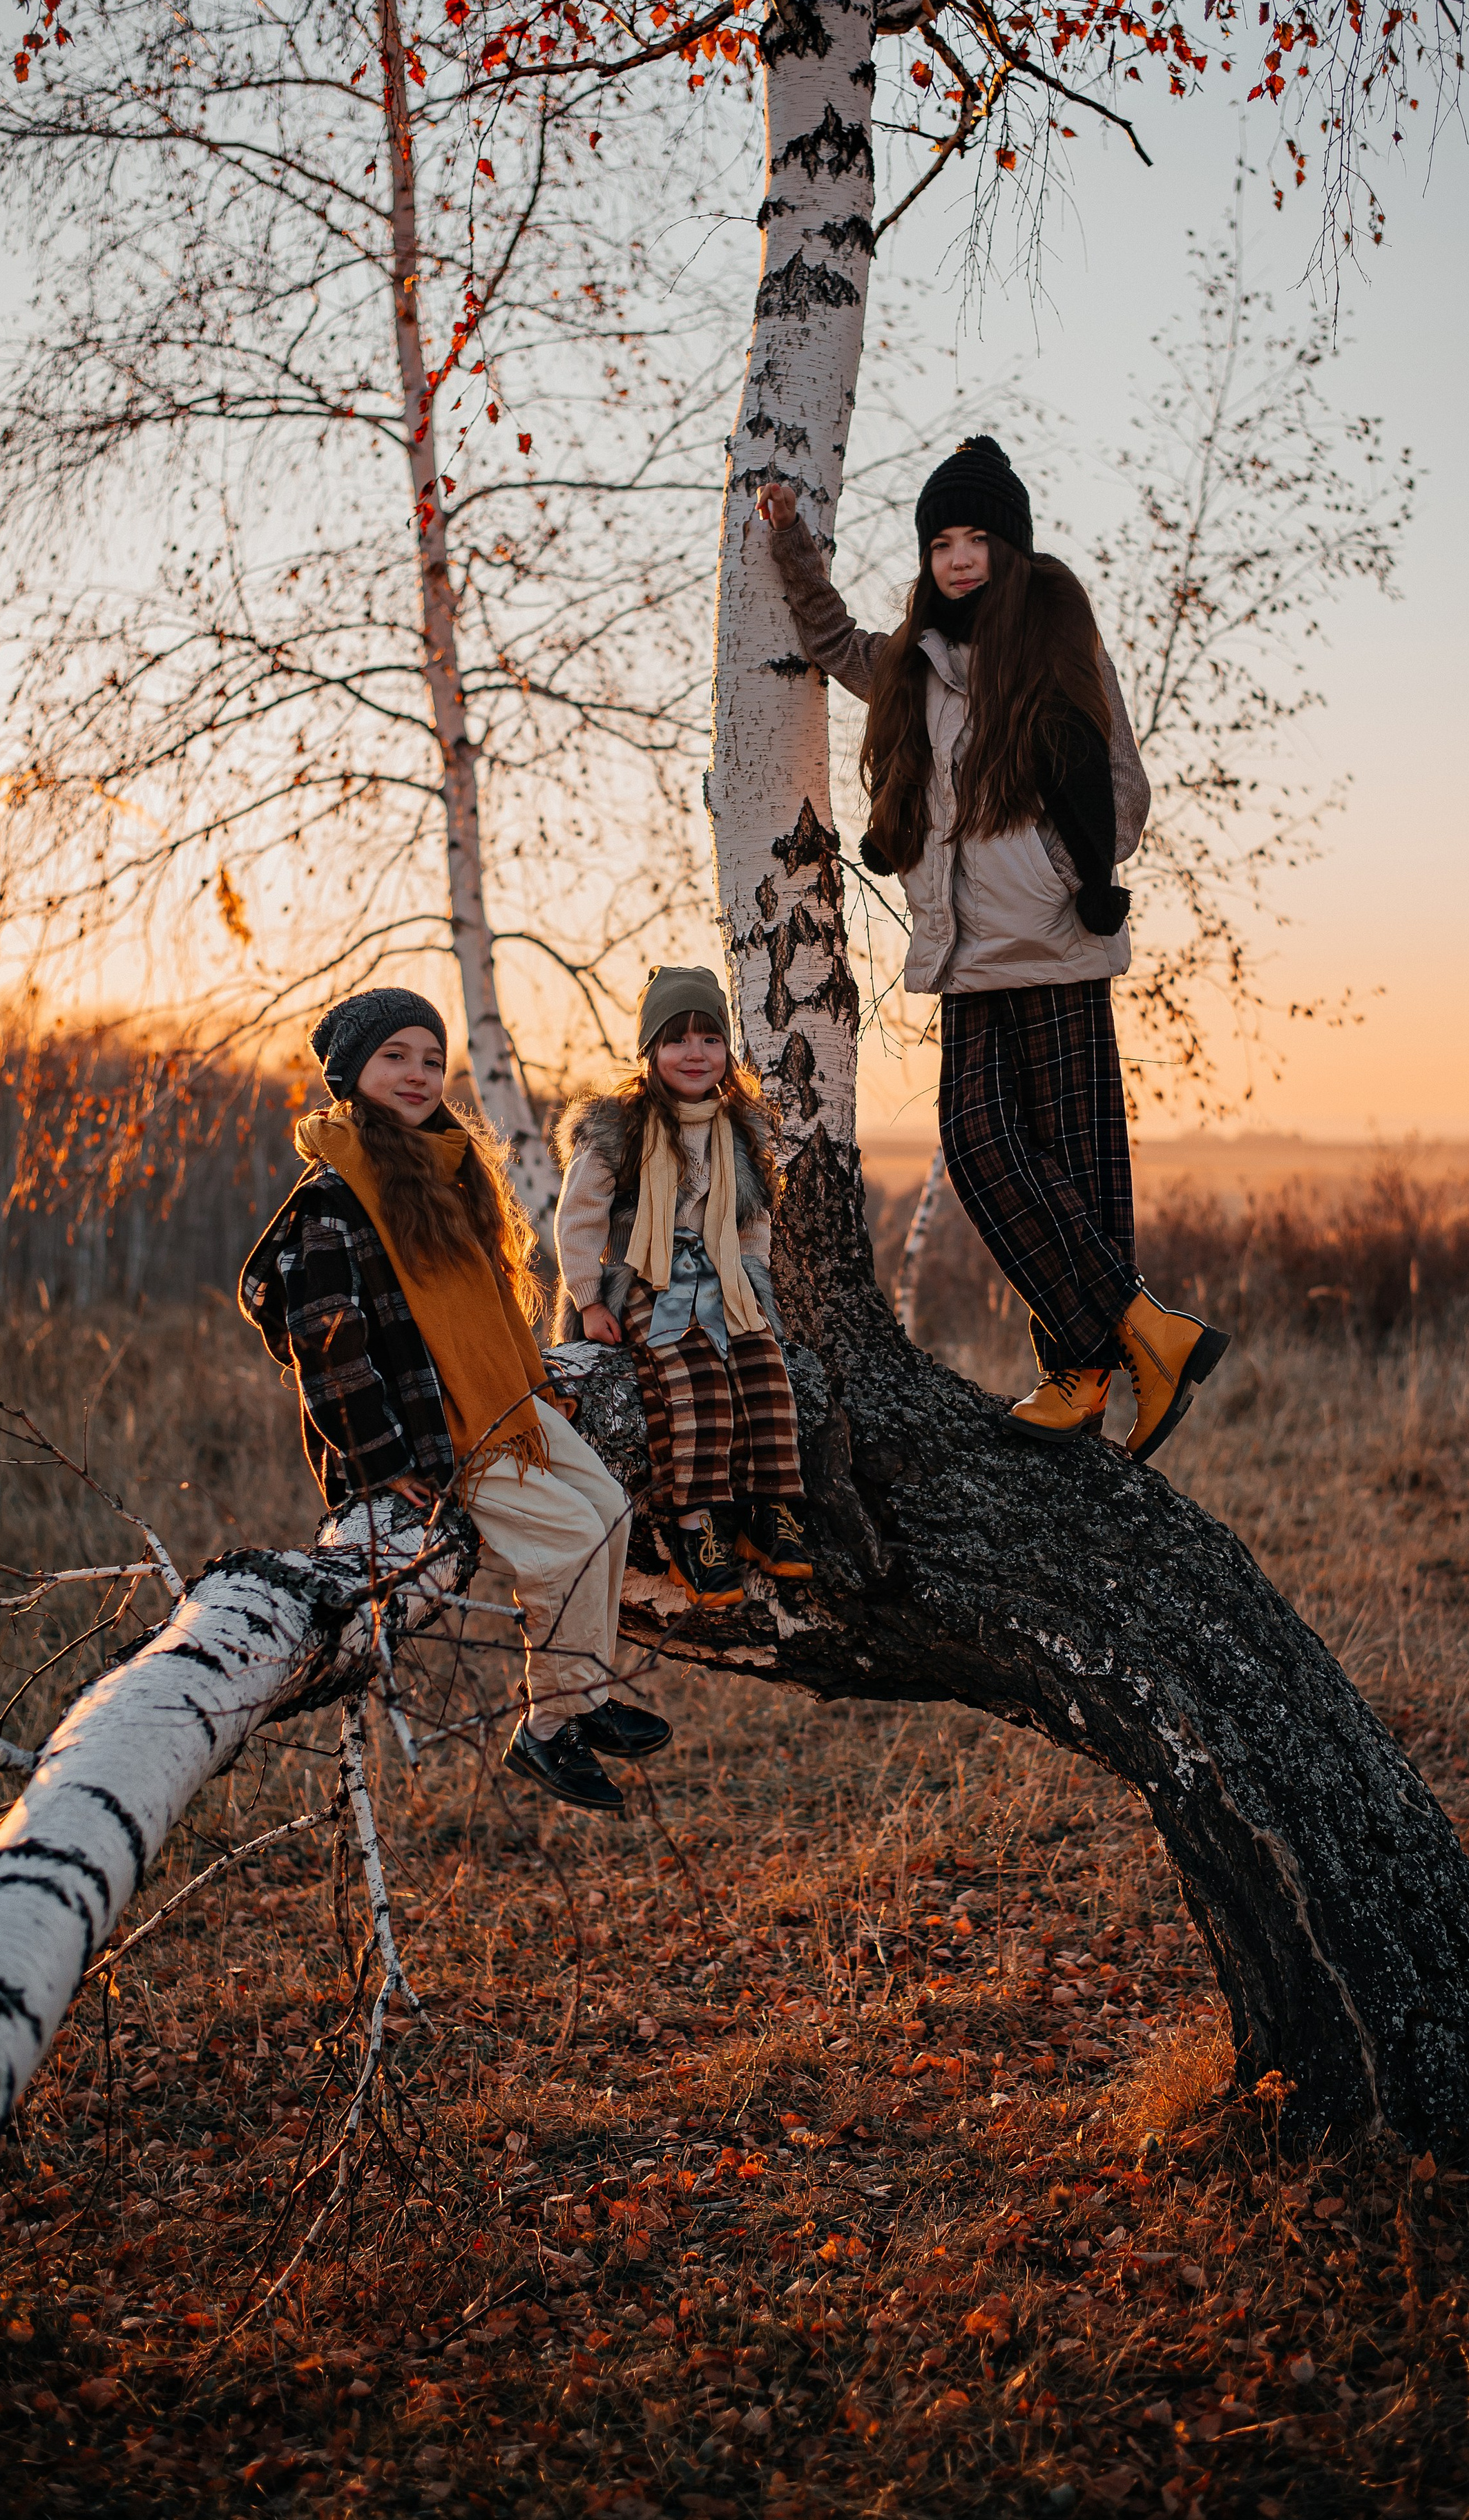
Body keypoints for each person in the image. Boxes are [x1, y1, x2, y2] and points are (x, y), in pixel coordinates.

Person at [758, 435, 1229, 1459]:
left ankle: (1079, 1374)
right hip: (968, 954)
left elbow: (1123, 785)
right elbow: (836, 640)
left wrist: (1068, 871)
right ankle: (1150, 1329)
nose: (960, 558)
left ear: (1011, 548)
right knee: (980, 1146)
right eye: (942, 542)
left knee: (1079, 1165)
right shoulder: (917, 664)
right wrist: (793, 545)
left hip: (1058, 942)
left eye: (978, 538)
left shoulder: (1059, 648)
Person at [238, 985, 664, 1817]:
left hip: (506, 1397)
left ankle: (584, 1693)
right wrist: (381, 1459)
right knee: (569, 1537)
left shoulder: (451, 1164)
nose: (418, 1073)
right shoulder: (333, 1197)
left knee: (609, 1505)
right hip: (441, 1421)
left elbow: (492, 1298)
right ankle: (549, 1727)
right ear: (352, 1071)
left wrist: (536, 1384)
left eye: (432, 1059)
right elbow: (327, 1342)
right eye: (395, 1056)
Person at [553, 964, 814, 1605]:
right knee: (694, 1380)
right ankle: (693, 1526)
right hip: (649, 1277)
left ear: (727, 1049)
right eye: (677, 1040)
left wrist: (751, 1283)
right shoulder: (622, 1127)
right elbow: (579, 1217)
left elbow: (752, 1223)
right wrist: (589, 1299)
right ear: (650, 1052)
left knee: (765, 1369)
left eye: (710, 1039)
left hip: (724, 1274)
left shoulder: (741, 1130)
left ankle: (768, 1510)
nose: (695, 1054)